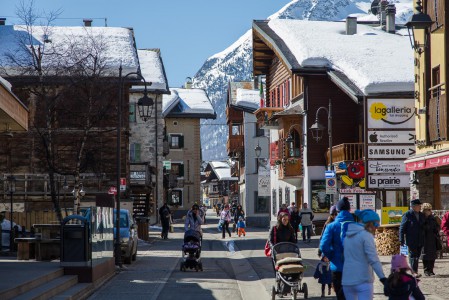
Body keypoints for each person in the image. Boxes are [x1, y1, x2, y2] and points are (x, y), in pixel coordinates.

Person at [341, 209, 387, 300]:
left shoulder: (347, 236)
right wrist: (383, 278)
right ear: (370, 223)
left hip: (347, 281)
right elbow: (373, 258)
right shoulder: (366, 235)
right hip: (363, 281)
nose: (376, 228)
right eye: (376, 224)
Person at [320, 197, 354, 300]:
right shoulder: (357, 226)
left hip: (337, 267)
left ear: (337, 211)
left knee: (340, 294)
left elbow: (323, 245)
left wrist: (331, 256)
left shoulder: (331, 226)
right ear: (349, 210)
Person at [399, 199, 425, 277]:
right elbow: (402, 227)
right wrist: (401, 239)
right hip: (411, 239)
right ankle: (414, 272)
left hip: (420, 239)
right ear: (414, 207)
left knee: (417, 255)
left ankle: (414, 271)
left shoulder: (421, 215)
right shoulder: (407, 214)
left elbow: (424, 225)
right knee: (413, 255)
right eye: (419, 206)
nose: (420, 207)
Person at [421, 203, 439, 276]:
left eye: (430, 210)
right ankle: (426, 270)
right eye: (428, 210)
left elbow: (437, 226)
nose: (430, 211)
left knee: (432, 255)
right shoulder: (421, 218)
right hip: (424, 239)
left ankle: (431, 270)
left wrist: (436, 230)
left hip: (432, 238)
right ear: (424, 210)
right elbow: (421, 227)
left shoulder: (432, 218)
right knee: (425, 255)